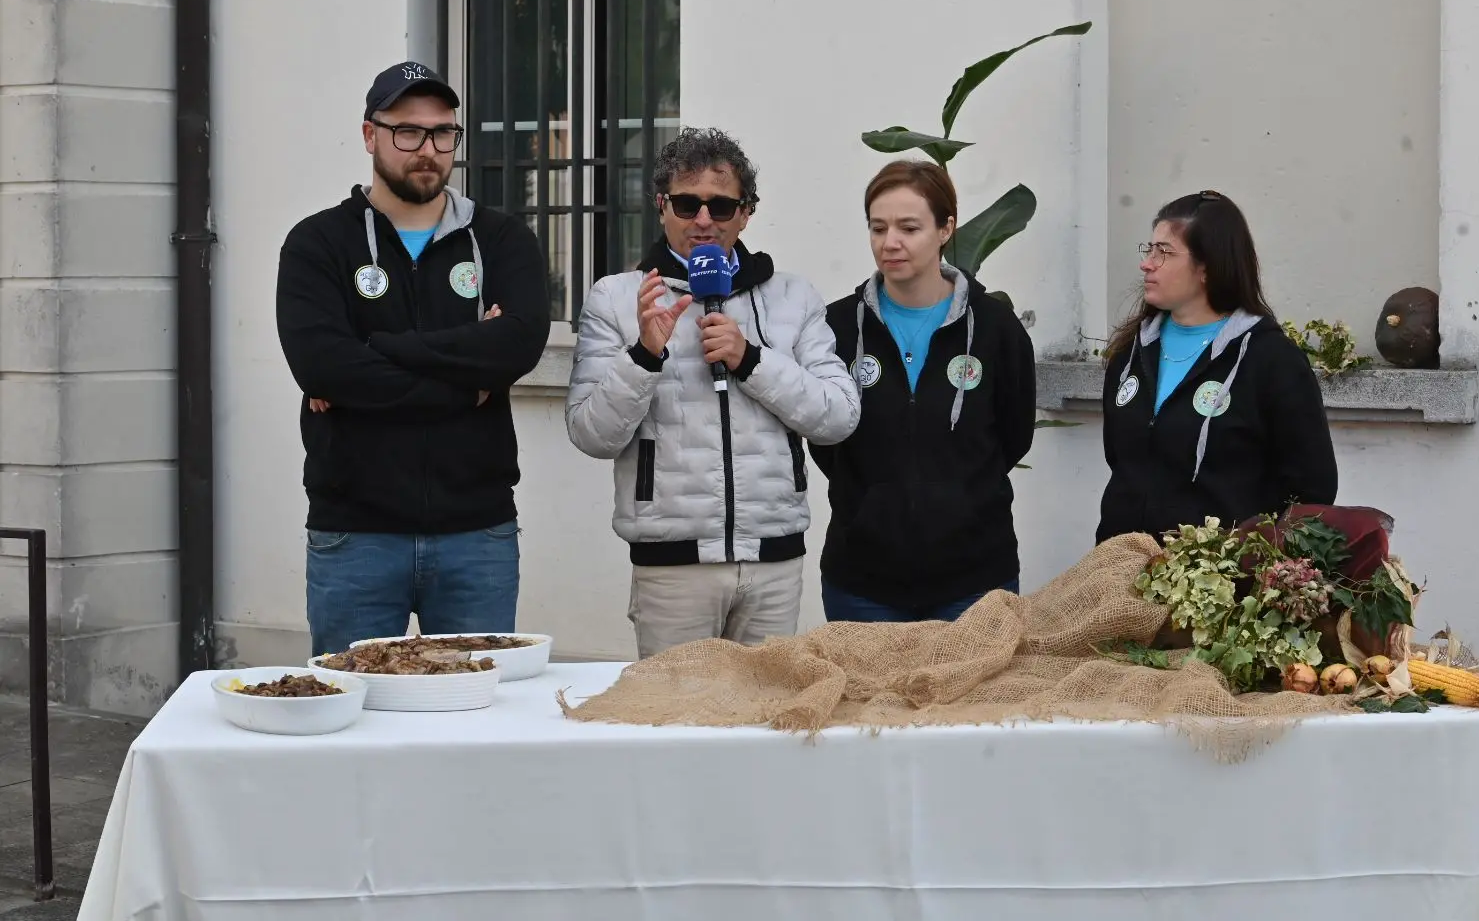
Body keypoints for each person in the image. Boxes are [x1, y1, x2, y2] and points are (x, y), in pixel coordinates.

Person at [276, 61, 550, 655]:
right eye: (407, 131)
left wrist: (380, 348)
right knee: (354, 701)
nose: (427, 149)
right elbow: (323, 366)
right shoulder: (318, 244)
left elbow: (519, 343)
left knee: (473, 703)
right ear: (370, 135)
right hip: (355, 535)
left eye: (442, 133)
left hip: (476, 534)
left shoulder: (501, 240)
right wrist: (467, 379)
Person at [565, 127, 860, 658]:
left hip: (773, 560)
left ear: (746, 213)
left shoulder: (793, 296)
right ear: (662, 207)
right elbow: (592, 434)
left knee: (768, 709)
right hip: (672, 567)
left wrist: (751, 360)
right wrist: (644, 356)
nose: (703, 220)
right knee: (677, 710)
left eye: (721, 206)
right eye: (687, 203)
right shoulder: (617, 299)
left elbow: (839, 416)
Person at [809, 160, 1036, 622]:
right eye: (878, 228)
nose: (890, 242)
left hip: (975, 583)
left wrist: (956, 495)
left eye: (909, 228)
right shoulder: (836, 327)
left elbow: (1014, 436)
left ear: (945, 228)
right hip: (862, 585)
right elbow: (824, 436)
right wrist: (873, 502)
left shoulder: (996, 329)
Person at [1097, 189, 1336, 544]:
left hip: (1220, 573)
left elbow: (1311, 489)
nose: (1147, 263)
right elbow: (1121, 460)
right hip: (1119, 565)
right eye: (1149, 249)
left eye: (1164, 252)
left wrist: (1251, 556)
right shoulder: (1131, 352)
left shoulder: (1270, 359)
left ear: (1207, 266)